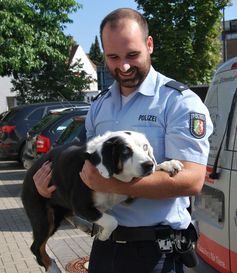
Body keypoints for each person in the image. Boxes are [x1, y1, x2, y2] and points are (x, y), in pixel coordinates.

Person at [33, 8, 213, 273]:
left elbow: (192, 179)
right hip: (105, 246)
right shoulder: (100, 105)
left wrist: (110, 183)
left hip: (155, 253)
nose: (124, 66)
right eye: (113, 57)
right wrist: (47, 188)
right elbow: (83, 170)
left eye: (132, 55)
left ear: (149, 45)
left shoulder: (177, 102)